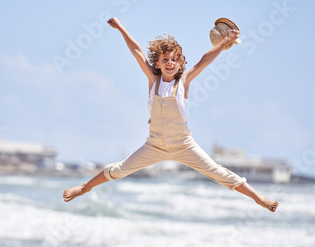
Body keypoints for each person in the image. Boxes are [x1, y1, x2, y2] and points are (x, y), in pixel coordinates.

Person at [63, 17, 279, 212]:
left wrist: (224, 43)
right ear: (157, 63)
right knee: (119, 169)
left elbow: (206, 58)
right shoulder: (153, 80)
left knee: (219, 172)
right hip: (154, 145)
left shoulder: (184, 81)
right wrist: (120, 28)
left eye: (174, 60)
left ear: (180, 64)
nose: (170, 63)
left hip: (183, 144)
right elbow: (137, 51)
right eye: (165, 59)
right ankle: (83, 188)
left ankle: (259, 198)